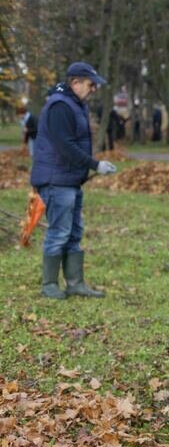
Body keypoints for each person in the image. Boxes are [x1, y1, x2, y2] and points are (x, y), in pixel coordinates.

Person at [29, 61, 118, 299]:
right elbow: (64, 146)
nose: (93, 89)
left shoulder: (76, 105)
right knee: (59, 232)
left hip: (70, 181)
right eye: (91, 84)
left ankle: (75, 283)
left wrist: (88, 167)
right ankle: (49, 285)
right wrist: (95, 164)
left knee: (74, 233)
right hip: (55, 180)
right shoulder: (60, 106)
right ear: (75, 82)